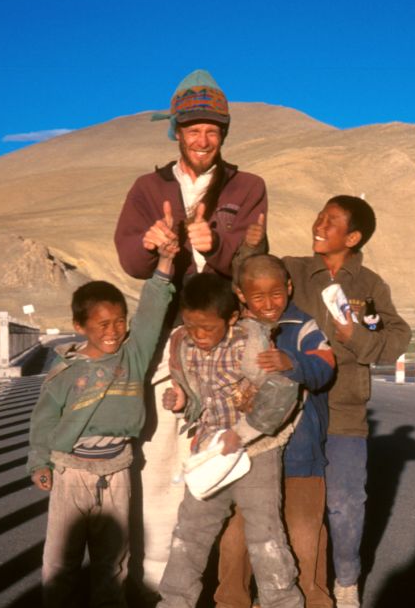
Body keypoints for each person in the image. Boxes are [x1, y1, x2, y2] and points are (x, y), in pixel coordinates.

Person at [112, 69, 269, 594]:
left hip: (225, 345)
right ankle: (156, 585)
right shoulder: (146, 187)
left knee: (221, 459)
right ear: (175, 132)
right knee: (158, 460)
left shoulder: (248, 187)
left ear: (224, 135)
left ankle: (222, 591)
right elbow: (130, 261)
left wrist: (217, 246)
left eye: (213, 131)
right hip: (164, 342)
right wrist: (152, 244)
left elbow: (253, 263)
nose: (203, 141)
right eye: (193, 130)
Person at [240, 195, 411, 608]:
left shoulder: (370, 284)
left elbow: (398, 338)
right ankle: (281, 587)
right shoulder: (295, 269)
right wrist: (251, 247)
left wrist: (358, 339)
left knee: (345, 502)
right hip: (289, 409)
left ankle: (346, 583)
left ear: (352, 237)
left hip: (344, 410)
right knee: (287, 502)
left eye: (331, 220)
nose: (319, 223)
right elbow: (250, 280)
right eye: (320, 215)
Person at [27, 229, 179, 607]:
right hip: (70, 473)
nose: (114, 331)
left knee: (113, 561)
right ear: (80, 326)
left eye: (119, 322)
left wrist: (165, 263)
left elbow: (152, 311)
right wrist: (39, 461)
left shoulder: (134, 357)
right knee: (61, 561)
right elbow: (44, 420)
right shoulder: (65, 373)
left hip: (118, 472)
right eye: (102, 324)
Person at [157, 273, 303, 608]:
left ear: (232, 317)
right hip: (212, 452)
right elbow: (196, 396)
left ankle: (283, 603)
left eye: (208, 328)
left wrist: (243, 433)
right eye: (191, 325)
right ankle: (173, 602)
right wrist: (181, 402)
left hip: (256, 452)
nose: (199, 335)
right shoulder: (182, 343)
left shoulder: (251, 344)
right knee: (189, 534)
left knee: (265, 535)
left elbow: (282, 393)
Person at [215, 255, 336, 608]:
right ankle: (231, 601)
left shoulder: (304, 326)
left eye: (276, 294)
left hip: (301, 453)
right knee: (238, 535)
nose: (269, 304)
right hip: (248, 456)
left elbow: (325, 366)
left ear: (289, 288)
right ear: (240, 294)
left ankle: (313, 600)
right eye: (258, 297)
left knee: (305, 535)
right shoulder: (233, 330)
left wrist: (293, 362)